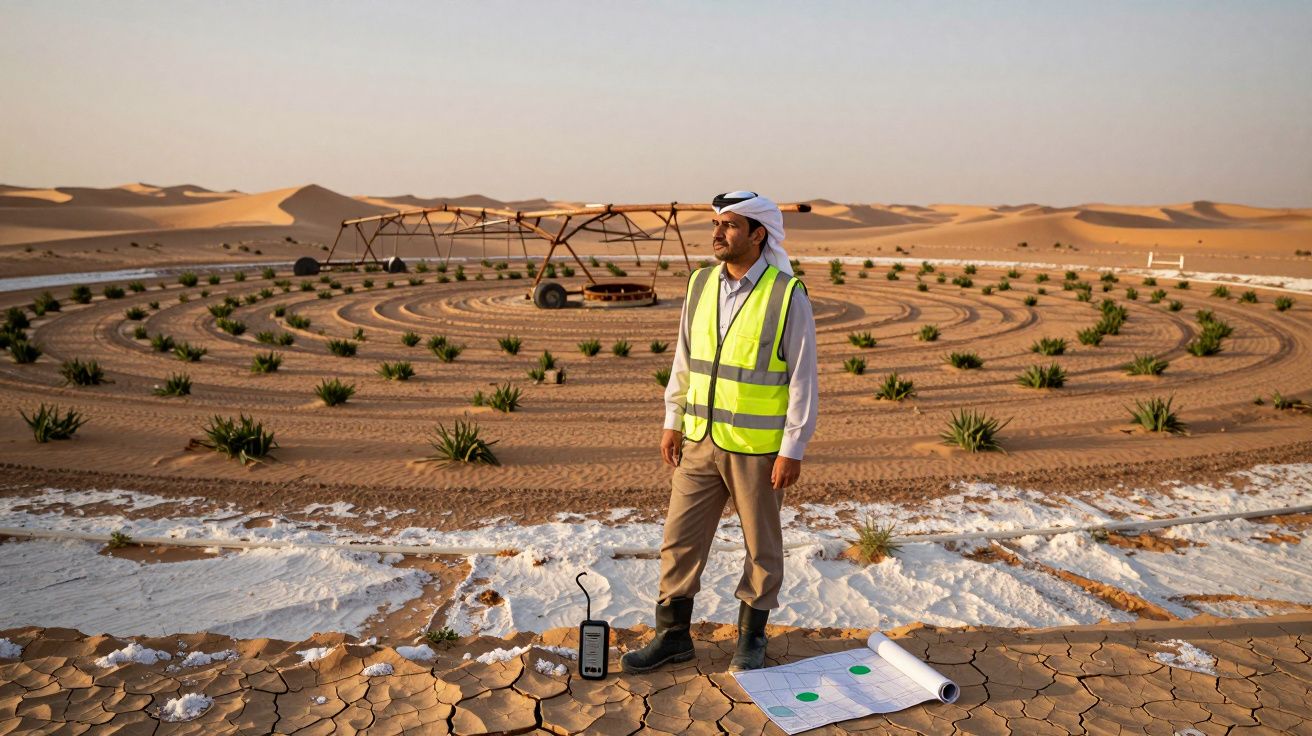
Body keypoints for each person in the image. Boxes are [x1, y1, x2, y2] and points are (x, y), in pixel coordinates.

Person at [621, 191, 818, 674]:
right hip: (698, 440)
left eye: (730, 225)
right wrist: (672, 421)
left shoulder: (786, 293)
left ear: (758, 234)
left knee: (761, 547)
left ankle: (751, 638)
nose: (718, 233)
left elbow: (803, 378)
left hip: (757, 449)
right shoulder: (700, 284)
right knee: (679, 539)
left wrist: (792, 448)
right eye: (716, 223)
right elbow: (685, 359)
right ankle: (672, 636)